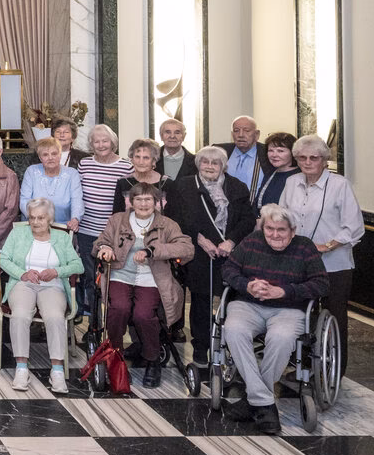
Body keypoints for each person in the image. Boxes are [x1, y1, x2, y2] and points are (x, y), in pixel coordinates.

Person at [221, 204, 329, 434]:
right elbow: (228, 269)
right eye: (270, 228)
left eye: (281, 230)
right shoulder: (252, 241)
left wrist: (284, 291)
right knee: (232, 330)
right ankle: (264, 402)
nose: (275, 234)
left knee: (281, 338)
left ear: (293, 230)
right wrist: (247, 285)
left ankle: (255, 400)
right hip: (248, 304)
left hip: (288, 309)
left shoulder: (305, 248)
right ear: (263, 227)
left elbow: (321, 284)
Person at [94, 183, 194, 387]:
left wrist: (152, 251)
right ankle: (115, 356)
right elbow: (100, 242)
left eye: (148, 199)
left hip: (151, 277)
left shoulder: (167, 224)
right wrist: (105, 249)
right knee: (118, 309)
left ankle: (152, 360)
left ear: (156, 202)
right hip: (120, 274)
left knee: (143, 315)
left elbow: (187, 248)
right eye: (138, 199)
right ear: (130, 201)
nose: (143, 203)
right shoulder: (117, 220)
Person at [280, 134, 363, 374]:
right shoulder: (292, 182)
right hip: (298, 263)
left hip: (334, 263)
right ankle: (302, 369)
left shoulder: (339, 185)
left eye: (313, 158)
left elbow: (354, 226)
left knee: (335, 316)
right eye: (302, 158)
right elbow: (284, 217)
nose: (307, 162)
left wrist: (327, 246)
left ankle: (333, 371)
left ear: (324, 160)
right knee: (300, 316)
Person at [175, 145, 256, 370]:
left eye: (215, 163)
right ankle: (201, 349)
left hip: (231, 252)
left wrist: (230, 242)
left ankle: (232, 346)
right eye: (205, 162)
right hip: (199, 251)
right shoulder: (184, 185)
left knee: (233, 300)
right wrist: (201, 240)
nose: (210, 166)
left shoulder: (237, 187)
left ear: (223, 166)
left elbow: (248, 220)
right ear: (198, 164)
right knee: (201, 300)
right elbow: (177, 218)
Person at [0, 198, 85, 393]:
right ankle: (21, 368)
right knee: (20, 315)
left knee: (55, 317)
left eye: (40, 218)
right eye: (32, 218)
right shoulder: (18, 233)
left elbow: (78, 266)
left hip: (52, 285)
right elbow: (3, 259)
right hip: (23, 283)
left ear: (50, 219)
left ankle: (56, 370)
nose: (36, 222)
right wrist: (23, 273)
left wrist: (56, 272)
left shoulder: (62, 238)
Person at [77, 124, 133, 316]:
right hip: (87, 232)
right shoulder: (84, 164)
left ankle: (114, 326)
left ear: (113, 143)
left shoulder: (126, 166)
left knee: (116, 282)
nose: (101, 145)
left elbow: (129, 201)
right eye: (96, 141)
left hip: (114, 234)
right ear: (91, 144)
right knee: (91, 280)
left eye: (105, 141)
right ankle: (95, 327)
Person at [19, 137, 84, 230]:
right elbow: (24, 199)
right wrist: (34, 218)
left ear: (60, 155)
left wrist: (75, 219)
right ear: (40, 158)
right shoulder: (31, 171)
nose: (50, 158)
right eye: (45, 155)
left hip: (62, 226)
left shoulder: (72, 174)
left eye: (54, 153)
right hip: (33, 225)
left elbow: (77, 199)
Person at [112, 138, 177, 216]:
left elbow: (173, 217)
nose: (141, 162)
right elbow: (117, 216)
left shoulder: (167, 183)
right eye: (137, 157)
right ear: (132, 159)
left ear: (154, 161)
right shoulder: (123, 182)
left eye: (146, 158)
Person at [218, 115, 273, 192]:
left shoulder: (268, 153)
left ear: (257, 134)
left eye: (246, 131)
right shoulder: (221, 151)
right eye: (236, 130)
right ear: (232, 134)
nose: (241, 135)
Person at [253, 131, 299, 207]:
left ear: (293, 152)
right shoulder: (270, 173)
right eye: (271, 150)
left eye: (280, 151)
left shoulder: (301, 176)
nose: (274, 155)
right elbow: (257, 203)